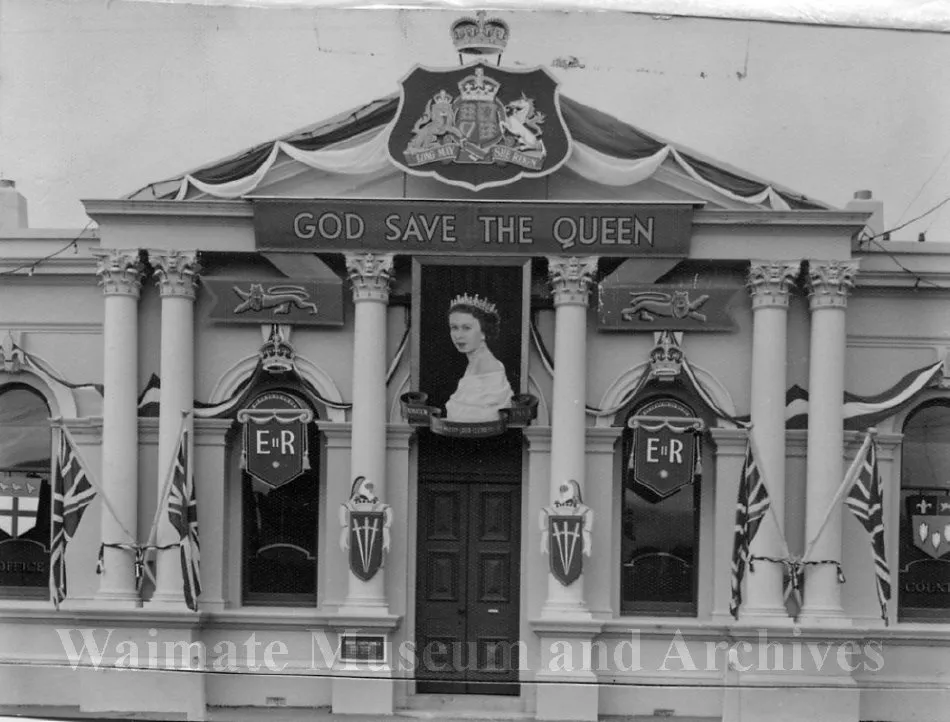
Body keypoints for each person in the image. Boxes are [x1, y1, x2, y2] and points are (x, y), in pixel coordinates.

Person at [445, 293, 514, 423]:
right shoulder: (473, 364)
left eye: (466, 328)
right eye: (454, 328)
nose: (458, 335)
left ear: (484, 332)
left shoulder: (488, 368)